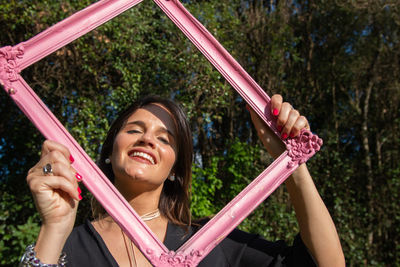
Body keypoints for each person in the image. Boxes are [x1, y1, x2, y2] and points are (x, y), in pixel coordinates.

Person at [21, 94, 345, 266]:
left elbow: (326, 264)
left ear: (175, 168)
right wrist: (55, 227)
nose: (147, 139)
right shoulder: (70, 245)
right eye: (134, 130)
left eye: (165, 139)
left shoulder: (210, 243)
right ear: (109, 152)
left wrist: (290, 160)